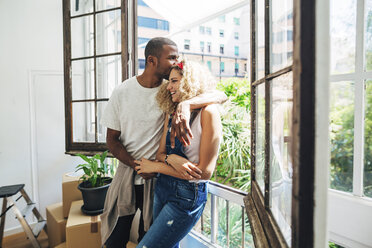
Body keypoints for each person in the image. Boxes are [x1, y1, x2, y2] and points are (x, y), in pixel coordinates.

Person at [100, 37, 227, 248]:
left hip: (159, 180)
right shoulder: (124, 92)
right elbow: (111, 141)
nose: (177, 61)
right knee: (114, 237)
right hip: (132, 174)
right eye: (172, 57)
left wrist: (187, 104)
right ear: (152, 60)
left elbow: (220, 95)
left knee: (147, 237)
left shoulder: (174, 91)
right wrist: (137, 165)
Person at [134, 59, 222, 248]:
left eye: (174, 81)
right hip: (163, 187)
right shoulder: (172, 112)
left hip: (187, 196)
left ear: (189, 81)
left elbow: (204, 173)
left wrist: (157, 166)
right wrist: (169, 159)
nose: (168, 87)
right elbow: (160, 154)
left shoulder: (209, 112)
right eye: (169, 82)